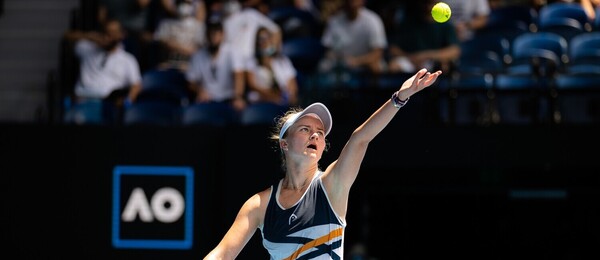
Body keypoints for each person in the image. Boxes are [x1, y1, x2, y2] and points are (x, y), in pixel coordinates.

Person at [203, 67, 443, 259]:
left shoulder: (331, 185)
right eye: (305, 129)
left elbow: (360, 139)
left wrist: (399, 98)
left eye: (319, 132)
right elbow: (223, 254)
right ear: (284, 144)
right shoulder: (259, 205)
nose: (315, 135)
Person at [64, 18, 143, 124]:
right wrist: (90, 36)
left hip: (107, 104)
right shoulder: (87, 49)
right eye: (106, 32)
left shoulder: (127, 60)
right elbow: (67, 37)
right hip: (82, 100)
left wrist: (127, 102)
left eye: (113, 33)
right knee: (75, 120)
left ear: (121, 35)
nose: (108, 36)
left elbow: (136, 85)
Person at [386, 0, 461, 74]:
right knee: (394, 65)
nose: (429, 7)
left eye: (433, 3)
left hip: (433, 62)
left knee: (444, 65)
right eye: (427, 3)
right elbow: (393, 49)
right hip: (411, 61)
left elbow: (454, 50)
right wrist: (412, 58)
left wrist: (426, 56)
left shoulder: (445, 25)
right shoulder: (408, 23)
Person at [186, 21, 245, 109]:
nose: (213, 37)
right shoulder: (198, 55)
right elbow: (190, 81)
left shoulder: (232, 52)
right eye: (211, 33)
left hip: (228, 98)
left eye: (216, 34)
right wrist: (200, 90)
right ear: (206, 35)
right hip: (207, 99)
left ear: (222, 35)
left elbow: (239, 76)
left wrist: (237, 97)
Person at [318, 0, 388, 74]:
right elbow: (328, 50)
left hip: (365, 63)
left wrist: (356, 61)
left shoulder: (373, 20)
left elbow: (377, 53)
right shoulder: (334, 21)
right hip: (341, 64)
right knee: (323, 67)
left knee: (375, 66)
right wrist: (341, 60)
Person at [245, 27, 299, 107]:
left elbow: (292, 82)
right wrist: (272, 97)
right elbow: (253, 85)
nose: (264, 41)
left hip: (283, 100)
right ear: (257, 42)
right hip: (261, 101)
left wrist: (291, 96)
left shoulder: (283, 60)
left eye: (267, 37)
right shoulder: (252, 61)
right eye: (261, 38)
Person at [153, 0, 207, 71]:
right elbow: (161, 42)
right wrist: (184, 48)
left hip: (189, 65)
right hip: (167, 64)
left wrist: (174, 45)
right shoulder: (165, 24)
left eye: (187, 3)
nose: (184, 6)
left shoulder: (198, 26)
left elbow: (199, 49)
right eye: (180, 3)